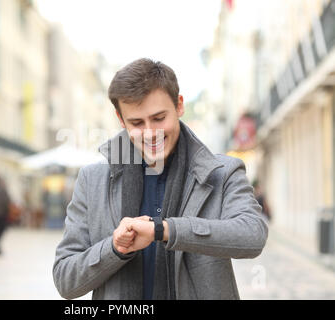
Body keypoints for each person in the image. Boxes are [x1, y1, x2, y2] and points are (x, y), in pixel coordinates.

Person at [53, 58, 269, 300]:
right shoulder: (91, 180)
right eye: (136, 123)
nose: (150, 132)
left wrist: (164, 230)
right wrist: (114, 248)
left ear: (179, 106)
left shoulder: (223, 171)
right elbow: (65, 280)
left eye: (158, 118)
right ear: (120, 119)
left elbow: (253, 235)